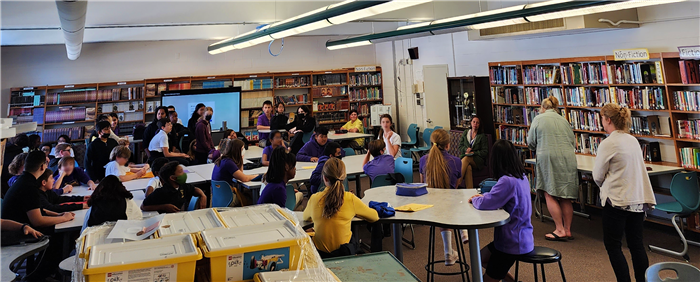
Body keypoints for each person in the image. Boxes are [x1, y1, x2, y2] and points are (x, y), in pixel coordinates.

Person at [593, 103, 656, 282]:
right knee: (636, 245)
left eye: (602, 120)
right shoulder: (632, 140)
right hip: (636, 200)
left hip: (617, 201)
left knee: (613, 245)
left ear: (608, 120)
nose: (602, 123)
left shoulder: (609, 143)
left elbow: (597, 176)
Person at [1, 151, 75, 281]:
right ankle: (36, 277)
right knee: (62, 237)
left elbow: (41, 210)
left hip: (20, 226)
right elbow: (38, 221)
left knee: (62, 233)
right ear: (42, 167)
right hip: (15, 232)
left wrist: (58, 215)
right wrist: (63, 218)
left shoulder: (26, 181)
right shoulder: (29, 186)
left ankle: (44, 272)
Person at [469, 140, 534, 282]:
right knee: (481, 258)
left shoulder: (507, 180)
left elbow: (486, 203)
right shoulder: (521, 176)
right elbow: (496, 197)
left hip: (511, 242)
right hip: (523, 237)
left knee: (485, 277)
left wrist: (475, 199)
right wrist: (484, 196)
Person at [303, 158, 379, 258]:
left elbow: (305, 217)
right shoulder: (350, 198)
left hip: (321, 256)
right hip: (344, 253)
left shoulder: (314, 199)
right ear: (344, 177)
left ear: (324, 178)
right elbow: (375, 217)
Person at [526, 96, 578, 241]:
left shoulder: (539, 119)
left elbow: (531, 142)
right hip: (568, 158)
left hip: (548, 158)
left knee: (549, 192)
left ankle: (559, 229)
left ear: (543, 107)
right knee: (565, 196)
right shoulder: (564, 120)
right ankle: (567, 230)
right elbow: (573, 142)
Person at [420, 128, 467, 261]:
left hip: (431, 209)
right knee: (456, 198)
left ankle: (448, 251)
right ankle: (463, 229)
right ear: (448, 145)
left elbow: (422, 183)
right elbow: (457, 184)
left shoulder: (424, 160)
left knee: (442, 205)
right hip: (451, 205)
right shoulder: (456, 161)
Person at [142, 161, 207, 213]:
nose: (184, 173)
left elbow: (194, 189)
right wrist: (164, 207)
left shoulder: (183, 186)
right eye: (181, 172)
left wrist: (202, 195)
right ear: (173, 178)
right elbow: (143, 207)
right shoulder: (161, 192)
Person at [212, 139, 259, 206]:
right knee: (251, 198)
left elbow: (240, 172)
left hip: (220, 198)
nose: (243, 151)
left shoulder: (223, 160)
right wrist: (257, 176)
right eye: (242, 149)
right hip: (229, 198)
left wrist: (241, 159)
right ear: (237, 150)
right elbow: (244, 178)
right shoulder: (229, 163)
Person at [459, 116, 489, 188]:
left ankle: (457, 182)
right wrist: (466, 149)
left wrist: (474, 153)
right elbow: (460, 147)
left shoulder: (482, 136)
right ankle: (470, 192)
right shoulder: (466, 133)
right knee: (468, 168)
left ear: (479, 125)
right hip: (466, 156)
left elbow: (485, 152)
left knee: (466, 158)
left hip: (477, 160)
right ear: (471, 123)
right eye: (474, 122)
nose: (475, 124)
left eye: (477, 123)